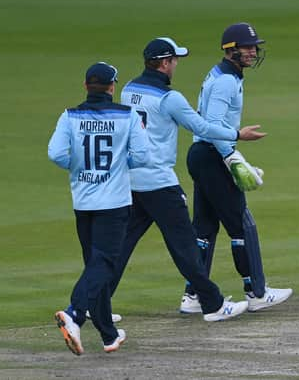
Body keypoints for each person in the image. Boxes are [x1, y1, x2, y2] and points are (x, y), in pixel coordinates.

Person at [109, 37, 266, 322]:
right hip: (159, 182)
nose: (176, 65)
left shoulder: (129, 90)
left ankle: (96, 302)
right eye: (175, 60)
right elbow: (202, 126)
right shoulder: (170, 98)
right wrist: (237, 135)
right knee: (186, 248)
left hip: (131, 180)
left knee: (121, 244)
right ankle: (212, 304)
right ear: (166, 63)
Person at [179, 22, 292, 315]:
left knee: (203, 229)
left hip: (204, 155)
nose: (253, 52)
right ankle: (256, 292)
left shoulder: (224, 74)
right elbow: (213, 127)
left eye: (254, 47)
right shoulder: (227, 81)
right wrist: (233, 158)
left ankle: (193, 296)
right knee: (241, 224)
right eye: (247, 47)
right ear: (231, 50)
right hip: (211, 155)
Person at [49, 62, 149, 355]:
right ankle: (75, 313)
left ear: (85, 86)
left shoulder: (69, 116)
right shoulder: (126, 115)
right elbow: (142, 156)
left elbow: (55, 153)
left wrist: (78, 167)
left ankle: (108, 333)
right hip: (114, 201)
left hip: (83, 200)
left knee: (96, 265)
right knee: (104, 262)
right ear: (111, 87)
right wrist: (118, 168)